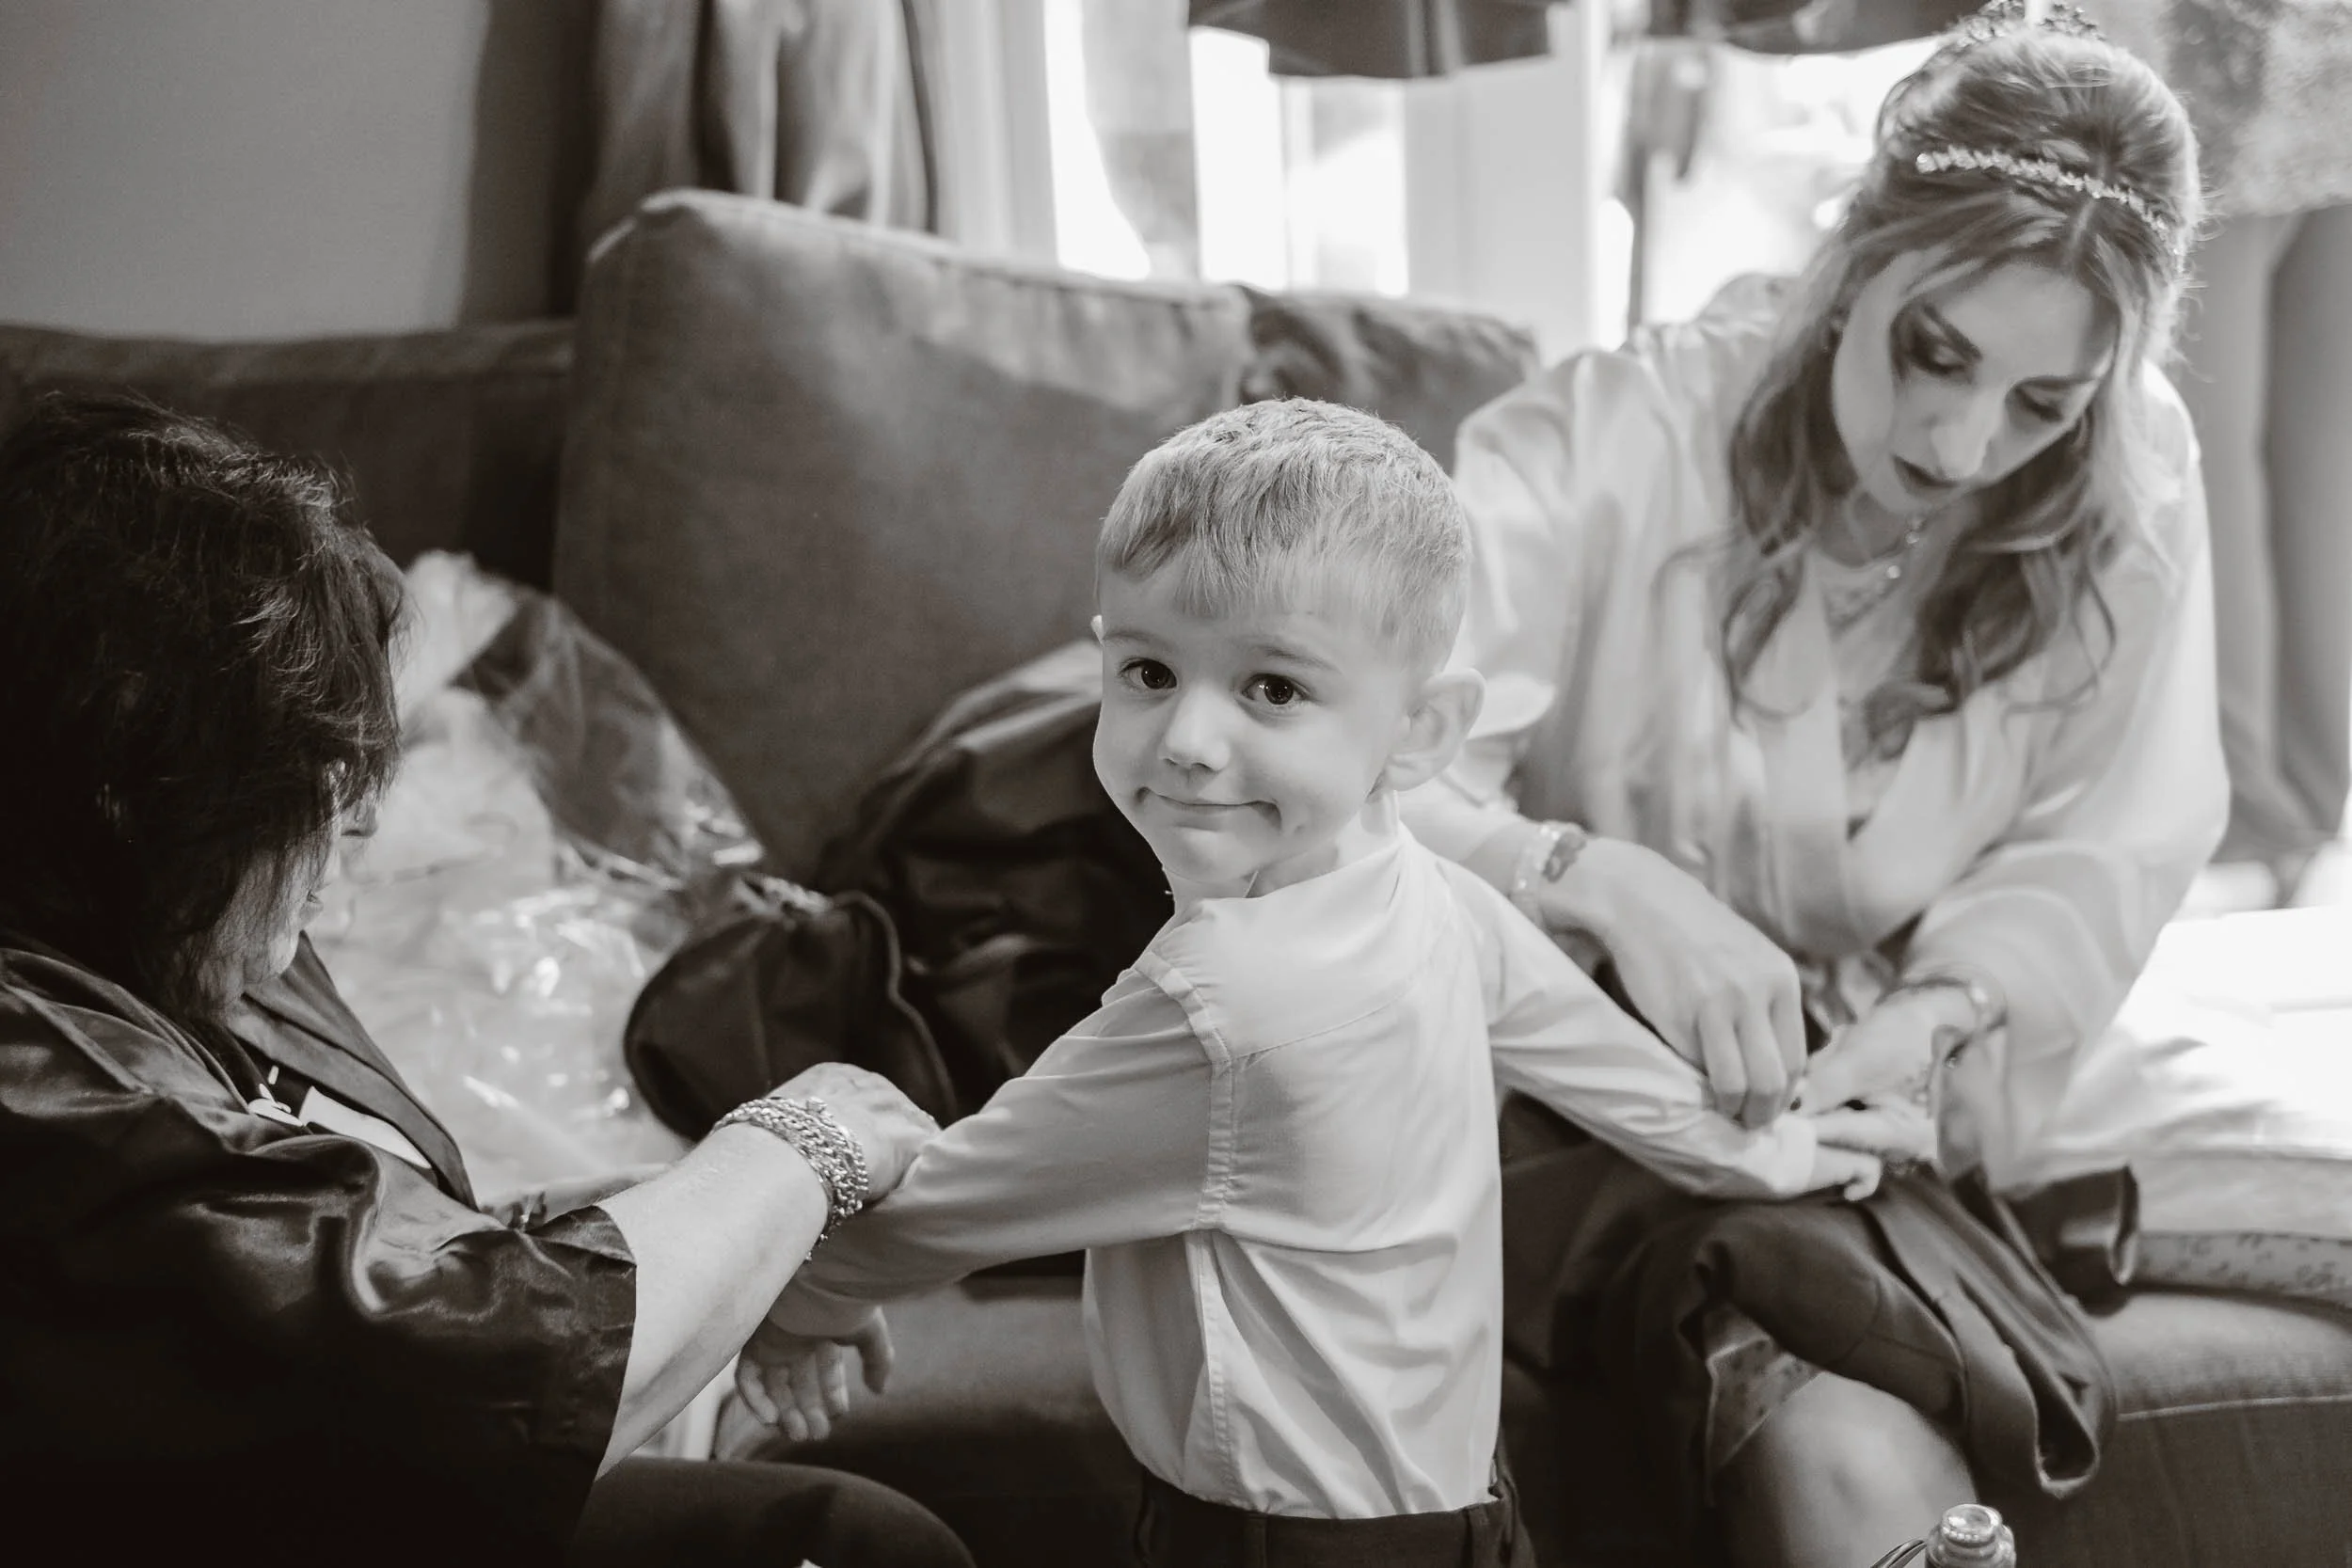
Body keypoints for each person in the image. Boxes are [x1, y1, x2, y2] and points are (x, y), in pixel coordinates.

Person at [730, 399, 1915, 1568]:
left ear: (1424, 729)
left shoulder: (1216, 1007)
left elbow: (954, 1205)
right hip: (1463, 1514)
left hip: (1278, 1542)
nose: (1186, 739)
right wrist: (1794, 1148)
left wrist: (800, 1300)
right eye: (1147, 669)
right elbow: (1627, 1081)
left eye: (1273, 688)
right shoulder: (1435, 896)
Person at [1399, 5, 2217, 1563]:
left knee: (1835, 1354)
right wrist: (1601, 879)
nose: (1963, 443)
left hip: (1869, 1102)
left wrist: (1938, 1012)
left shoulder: (2130, 482)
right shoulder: (1618, 437)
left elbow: (2106, 840)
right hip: (1557, 1067)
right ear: (1853, 256)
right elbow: (1360, 776)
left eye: (2043, 402)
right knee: (1806, 1349)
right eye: (1934, 352)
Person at [0, 392, 973, 1568]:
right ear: (129, 769)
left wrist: (722, 1236)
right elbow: (485, 1376)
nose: (350, 833)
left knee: (857, 1535)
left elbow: (355, 1255)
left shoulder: (154, 933)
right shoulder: (56, 1090)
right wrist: (805, 1138)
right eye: (311, 781)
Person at [2084, 0, 2352, 901]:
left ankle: (2242, 820)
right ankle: (2299, 809)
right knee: (2315, 466)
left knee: (2195, 453)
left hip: (2199, 63)